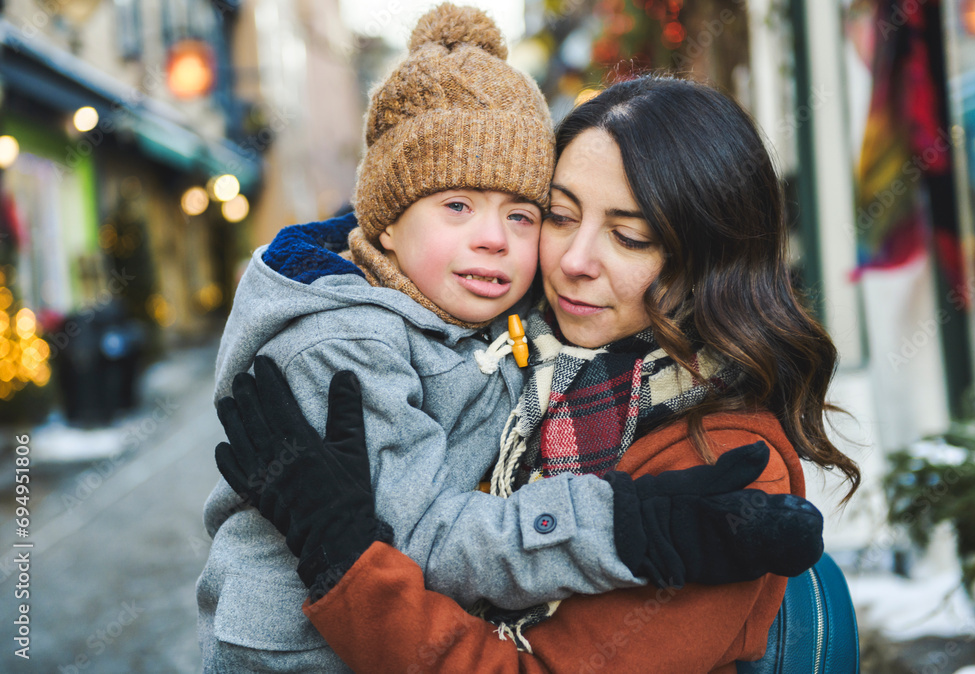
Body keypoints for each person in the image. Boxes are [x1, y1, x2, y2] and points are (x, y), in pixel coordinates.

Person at [198, 6, 822, 672]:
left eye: (629, 236)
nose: (574, 260)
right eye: (559, 216)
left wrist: (348, 561)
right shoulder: (518, 346)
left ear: (709, 260)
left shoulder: (722, 462)